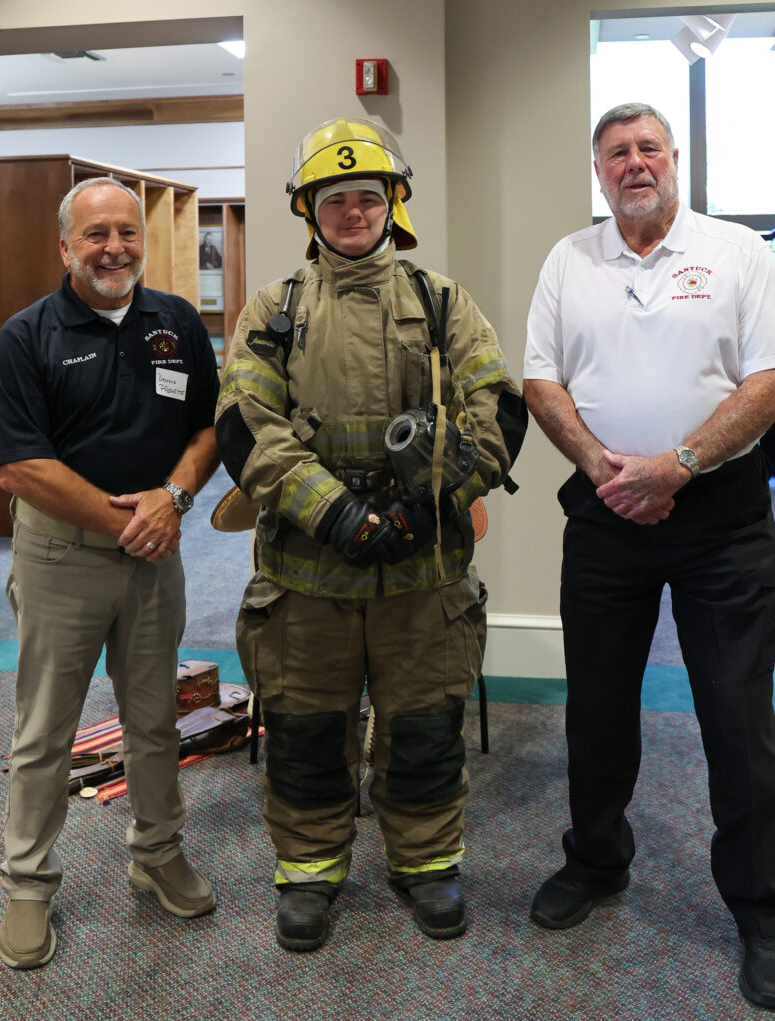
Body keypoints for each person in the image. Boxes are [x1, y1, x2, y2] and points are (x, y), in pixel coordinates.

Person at [215, 117, 527, 952]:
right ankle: (309, 870)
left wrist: (430, 504)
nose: (352, 213)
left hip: (424, 573)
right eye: (334, 200)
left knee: (424, 729)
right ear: (307, 211)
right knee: (307, 732)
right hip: (307, 574)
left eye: (366, 197)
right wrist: (335, 511)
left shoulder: (443, 301)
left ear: (393, 203)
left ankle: (426, 862)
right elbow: (244, 425)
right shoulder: (273, 309)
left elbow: (499, 411)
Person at [522, 103, 775, 1011]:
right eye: (617, 153)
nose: (634, 163)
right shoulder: (570, 259)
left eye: (648, 148)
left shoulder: (736, 252)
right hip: (605, 512)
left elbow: (772, 382)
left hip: (722, 519)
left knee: (735, 713)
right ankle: (597, 858)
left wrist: (677, 464)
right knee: (597, 707)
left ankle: (762, 908)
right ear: (598, 171)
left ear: (674, 158)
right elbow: (540, 380)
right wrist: (603, 466)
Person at [0, 176, 221, 969]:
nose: (114, 247)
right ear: (65, 246)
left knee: (155, 721)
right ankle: (27, 883)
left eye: (126, 232)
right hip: (62, 559)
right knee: (44, 731)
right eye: (96, 234)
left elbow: (209, 430)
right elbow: (19, 466)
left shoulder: (176, 322)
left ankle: (158, 852)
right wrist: (131, 521)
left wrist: (173, 497)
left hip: (155, 559)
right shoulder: (28, 336)